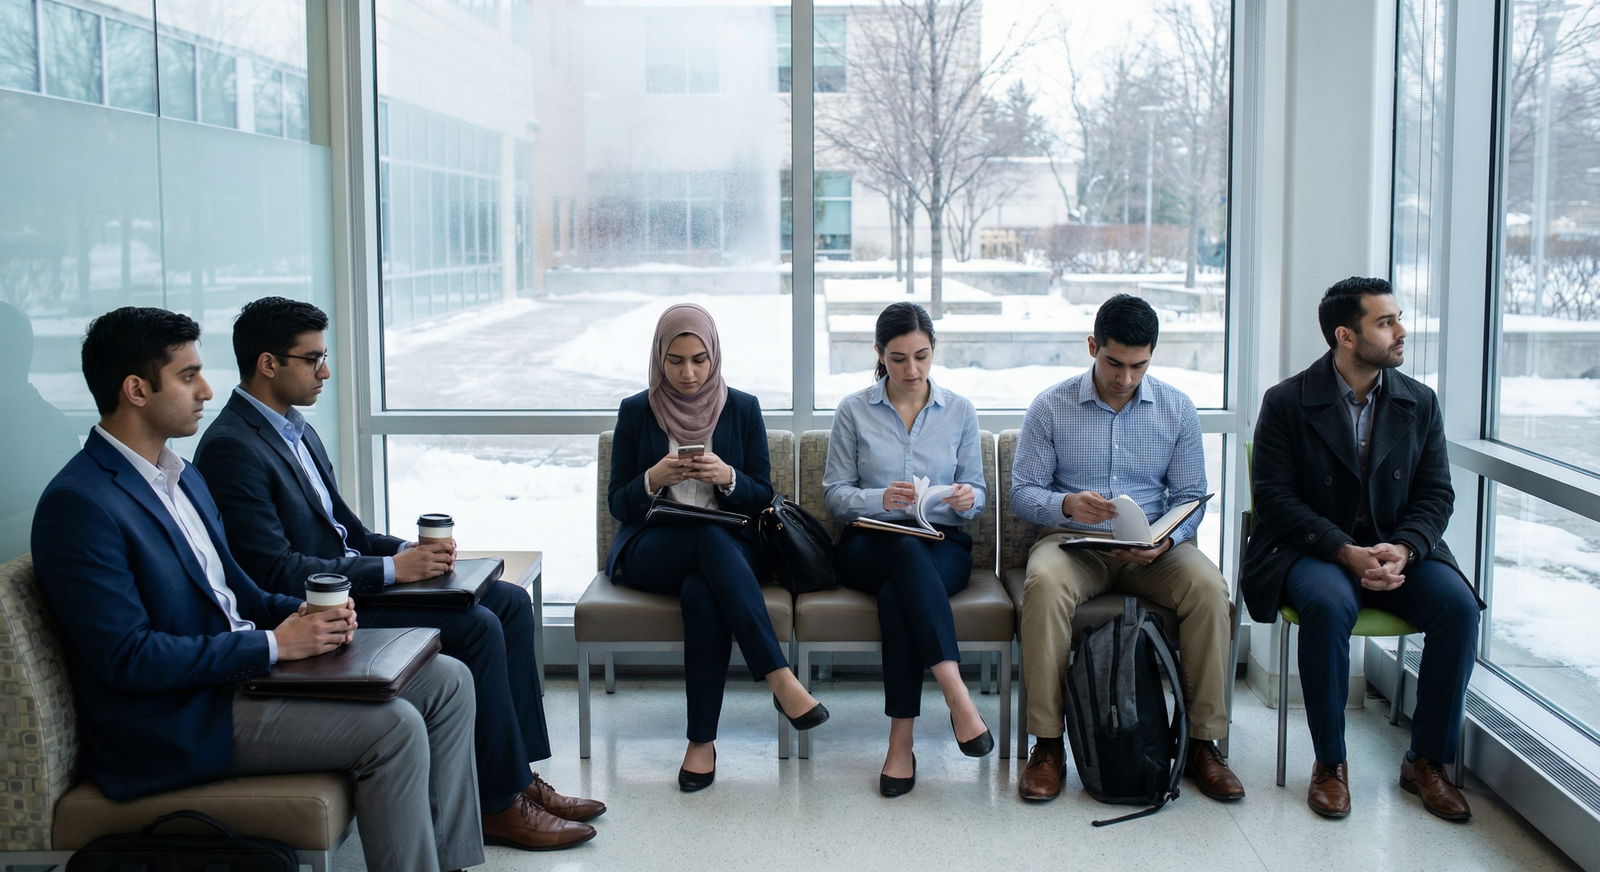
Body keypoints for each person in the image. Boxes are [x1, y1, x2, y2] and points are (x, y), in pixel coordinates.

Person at [31, 307, 483, 872]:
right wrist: (276, 646)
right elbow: (128, 658)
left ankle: (450, 862)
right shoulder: (81, 504)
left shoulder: (182, 475)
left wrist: (305, 615)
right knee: (392, 728)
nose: (207, 390)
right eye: (188, 375)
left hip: (239, 677)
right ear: (136, 390)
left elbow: (237, 595)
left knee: (447, 679)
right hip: (176, 718)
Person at [192, 297, 600, 851]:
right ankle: (498, 804)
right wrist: (391, 570)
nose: (325, 372)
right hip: (326, 608)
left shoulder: (294, 429)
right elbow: (275, 571)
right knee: (477, 625)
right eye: (312, 360)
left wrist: (407, 553)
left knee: (507, 602)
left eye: (324, 356)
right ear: (268, 364)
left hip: (352, 584)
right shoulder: (231, 448)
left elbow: (345, 532)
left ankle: (517, 777)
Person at [1243, 276, 1482, 821]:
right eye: (1385, 321)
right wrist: (1343, 550)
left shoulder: (1419, 402)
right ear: (1345, 336)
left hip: (1398, 550)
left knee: (1459, 608)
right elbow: (1274, 499)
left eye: (1398, 317)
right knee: (1327, 606)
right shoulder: (1286, 401)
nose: (1402, 331)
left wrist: (1404, 548)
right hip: (1313, 551)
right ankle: (1331, 763)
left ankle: (1426, 762)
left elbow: (1436, 494)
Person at [1011, 293, 1243, 804]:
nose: (1124, 378)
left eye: (1138, 365)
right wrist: (1068, 504)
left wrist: (1169, 539)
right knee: (1044, 585)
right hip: (1075, 545)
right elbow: (1023, 491)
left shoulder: (1177, 408)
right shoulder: (1051, 406)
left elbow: (1190, 498)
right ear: (1093, 346)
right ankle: (1047, 745)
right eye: (1114, 362)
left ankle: (1204, 743)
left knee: (1208, 587)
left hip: (1152, 550)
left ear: (1152, 355)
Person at [607, 303, 827, 792]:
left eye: (700, 360)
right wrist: (651, 478)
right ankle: (779, 678)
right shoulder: (636, 411)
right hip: (652, 546)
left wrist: (727, 477)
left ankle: (700, 743)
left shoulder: (742, 408)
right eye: (676, 361)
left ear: (715, 357)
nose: (688, 373)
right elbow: (617, 504)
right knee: (705, 542)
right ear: (659, 359)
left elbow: (764, 495)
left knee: (703, 591)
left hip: (729, 547)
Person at [823, 302, 993, 797]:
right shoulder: (854, 410)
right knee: (903, 554)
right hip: (868, 545)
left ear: (933, 350)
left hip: (942, 544)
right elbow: (835, 495)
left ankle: (901, 744)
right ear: (879, 354)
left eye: (921, 356)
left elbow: (978, 494)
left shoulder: (959, 411)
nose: (912, 370)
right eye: (898, 359)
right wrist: (881, 498)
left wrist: (966, 497)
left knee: (904, 589)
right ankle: (957, 695)